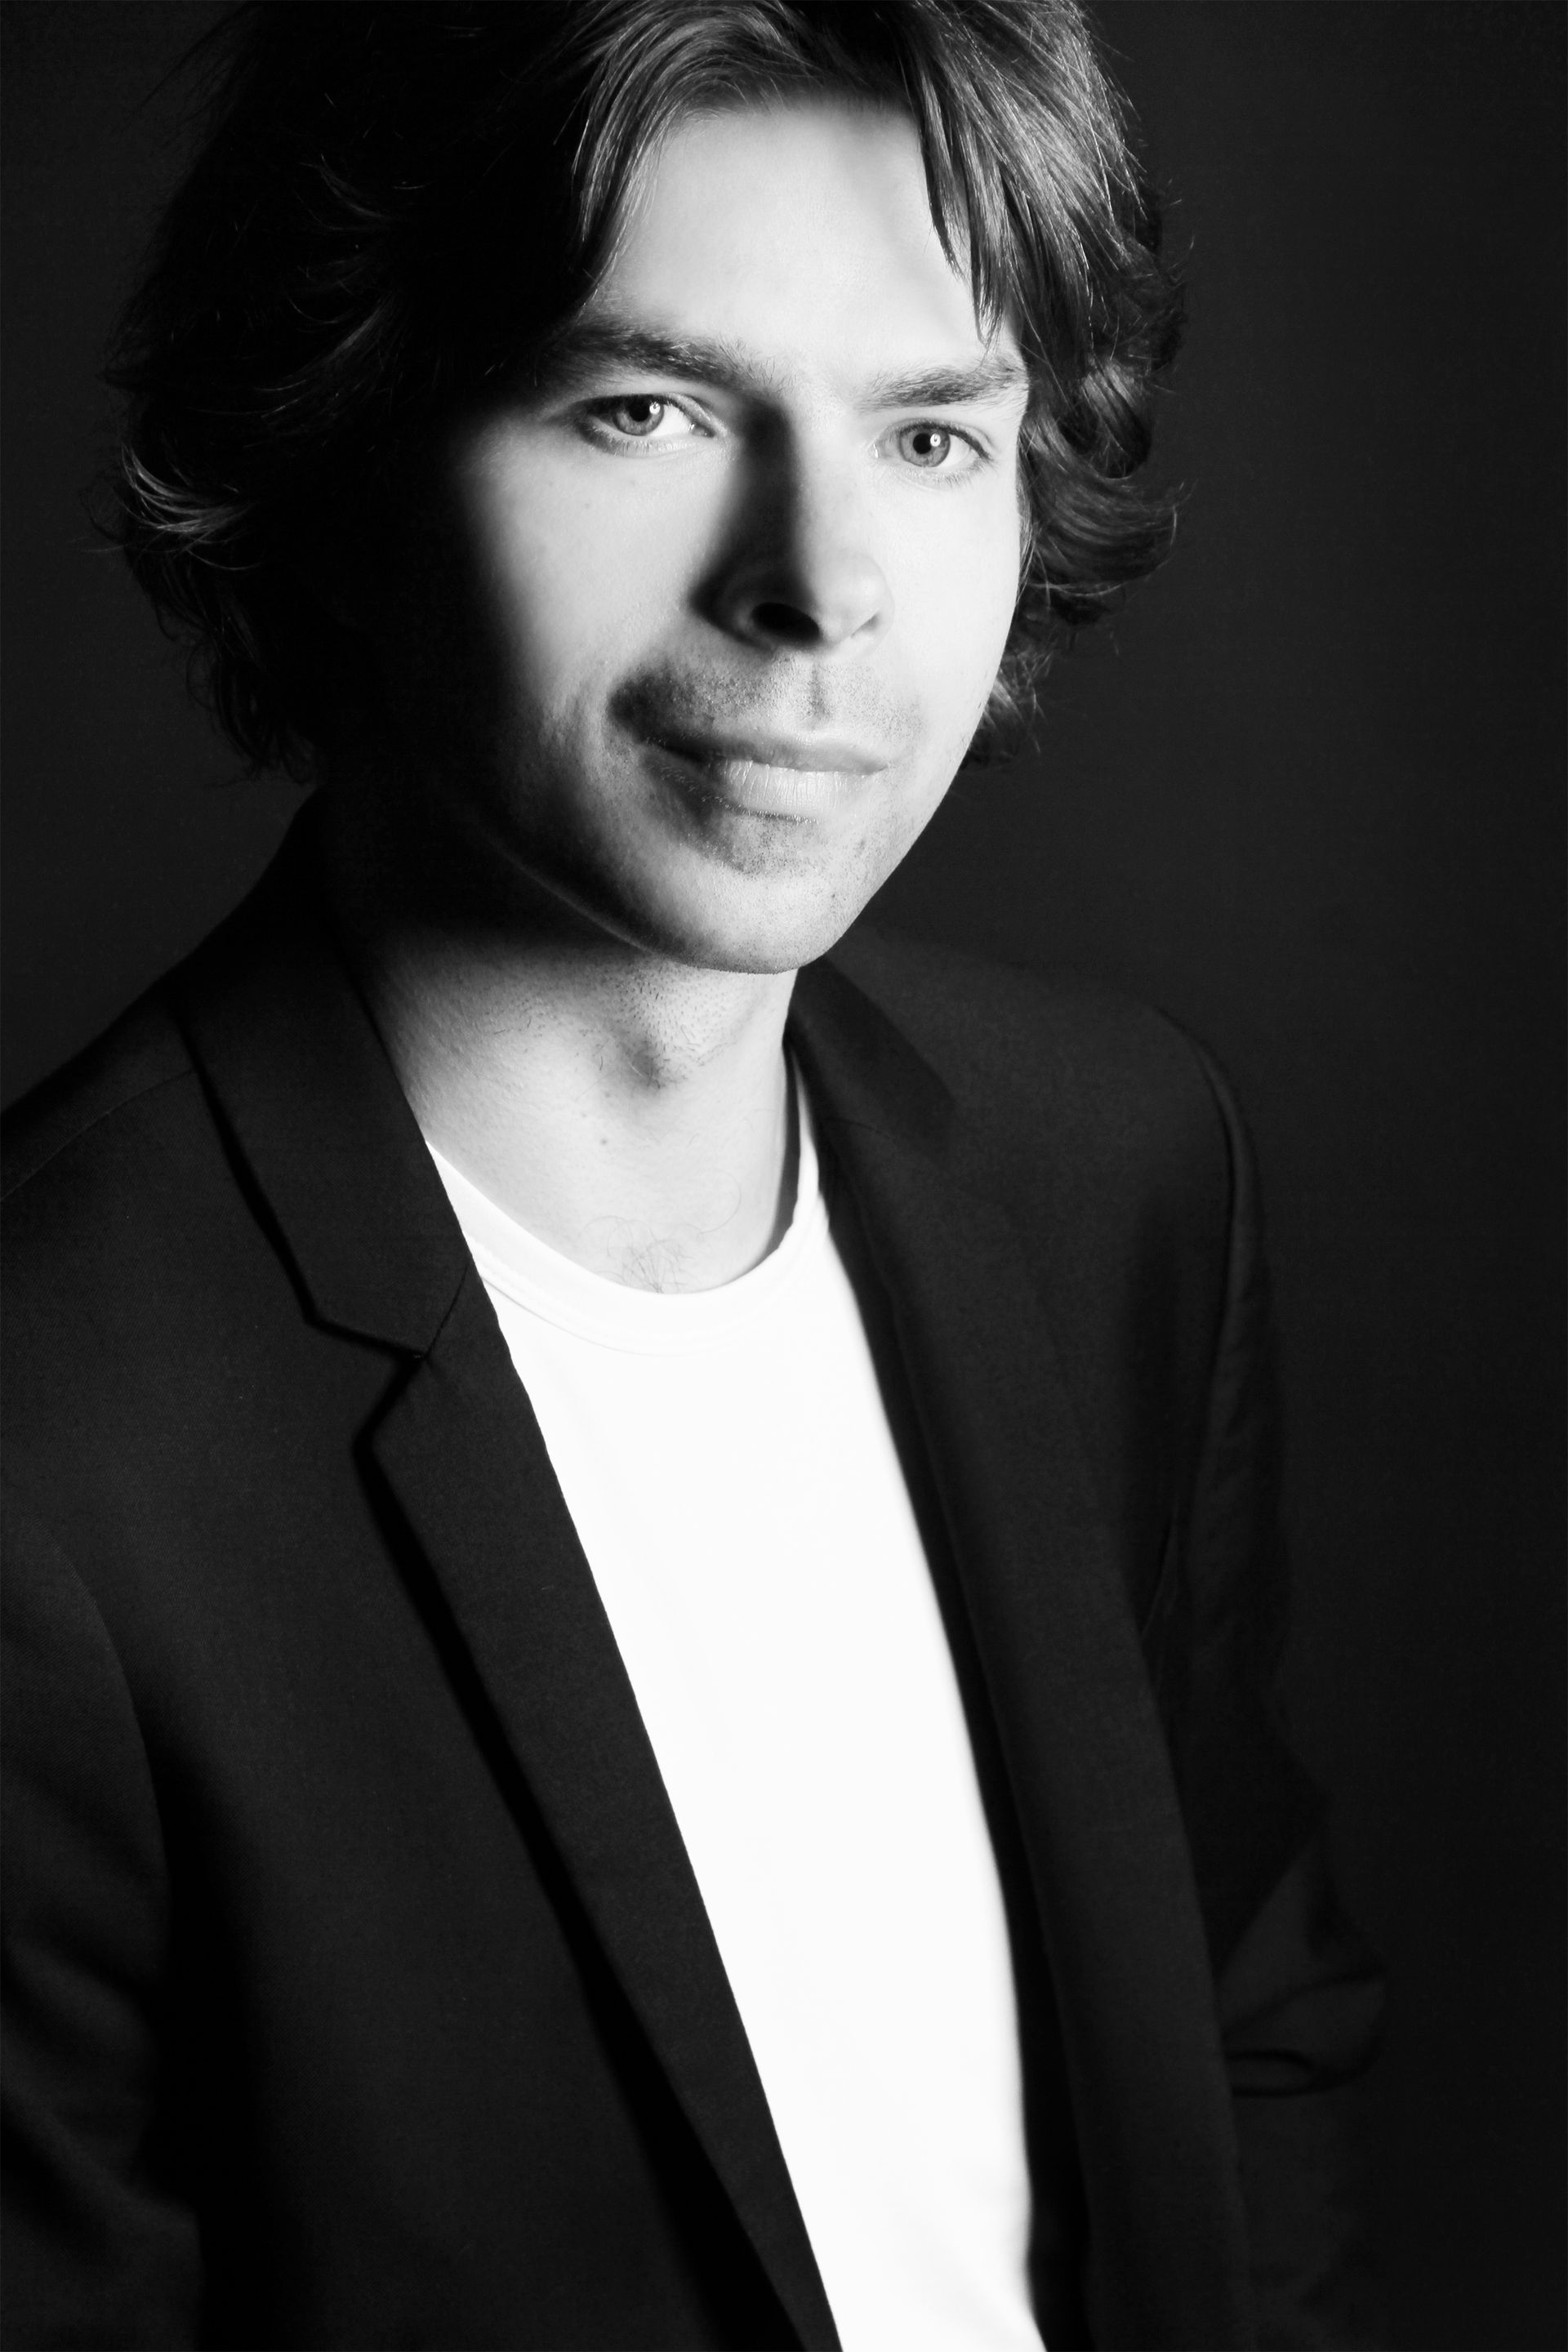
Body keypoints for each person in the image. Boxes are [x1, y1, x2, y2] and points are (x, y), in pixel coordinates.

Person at [1, 4, 1384, 2346]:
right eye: (645, 408)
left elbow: (1247, 2033)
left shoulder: (1120, 1169)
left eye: (931, 433)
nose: (822, 586)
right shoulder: (50, 1452)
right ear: (343, 453)